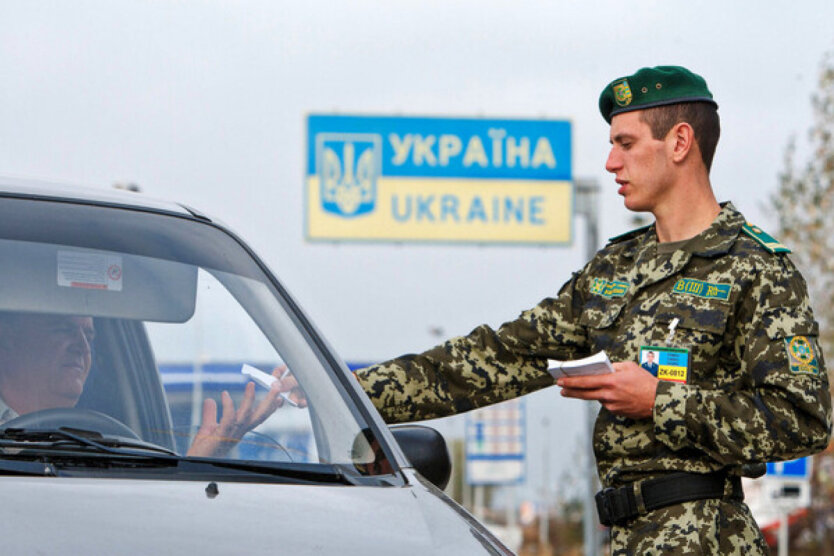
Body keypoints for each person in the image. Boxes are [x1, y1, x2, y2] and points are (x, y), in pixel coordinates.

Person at [353, 66, 832, 553]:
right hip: (622, 536)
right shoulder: (614, 268)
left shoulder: (755, 269)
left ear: (680, 142)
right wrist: (346, 393)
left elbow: (803, 420)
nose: (610, 162)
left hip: (709, 539)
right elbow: (494, 358)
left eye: (626, 143)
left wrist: (659, 400)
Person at [0, 311, 296, 458]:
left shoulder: (108, 446)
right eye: (62, 329)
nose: (82, 346)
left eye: (89, 336)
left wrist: (197, 462)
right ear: (8, 337)